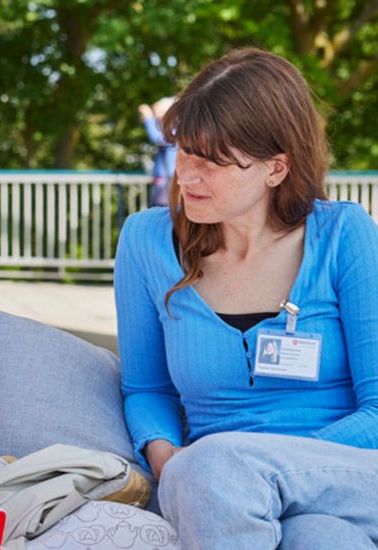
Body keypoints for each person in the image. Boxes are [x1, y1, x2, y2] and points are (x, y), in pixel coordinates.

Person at [115, 48, 378, 548]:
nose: (186, 176)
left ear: (276, 169)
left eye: (212, 161)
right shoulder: (146, 241)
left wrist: (256, 466)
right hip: (225, 497)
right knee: (324, 541)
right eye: (184, 152)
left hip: (345, 473)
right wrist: (166, 458)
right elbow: (147, 388)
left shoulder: (346, 235)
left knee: (215, 465)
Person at [138, 97, 177, 207]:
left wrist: (148, 119)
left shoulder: (177, 129)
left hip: (170, 180)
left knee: (166, 211)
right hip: (163, 179)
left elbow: (157, 138)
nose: (157, 120)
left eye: (159, 115)